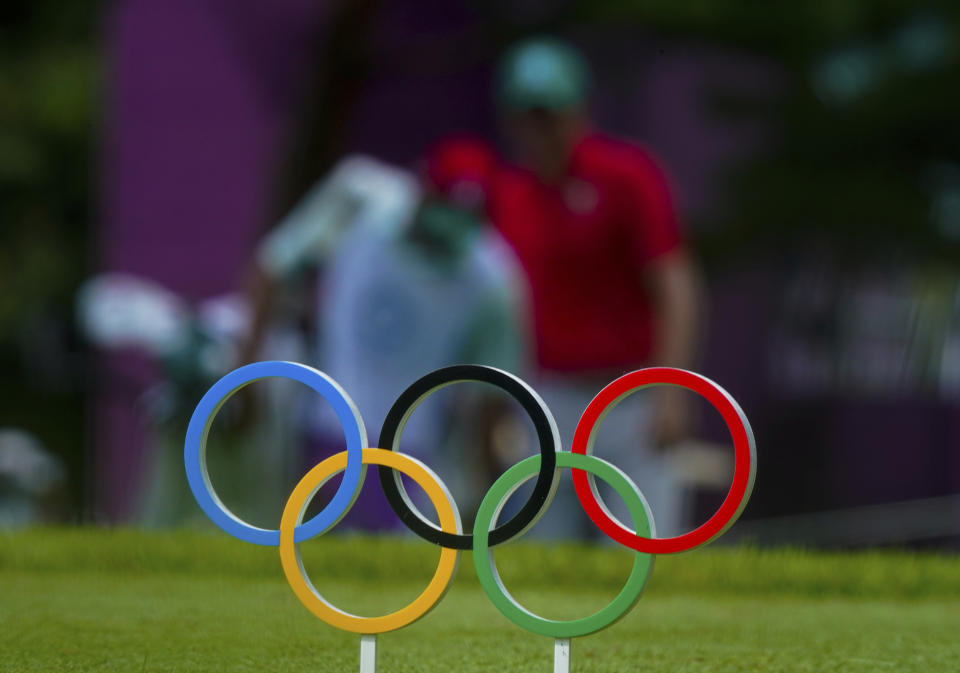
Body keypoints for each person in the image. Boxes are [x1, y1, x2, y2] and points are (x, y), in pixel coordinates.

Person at [245, 137, 529, 529]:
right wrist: (244, 376)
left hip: (411, 450)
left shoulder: (493, 280)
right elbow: (273, 266)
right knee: (304, 548)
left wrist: (487, 487)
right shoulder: (358, 198)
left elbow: (492, 391)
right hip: (324, 422)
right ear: (423, 188)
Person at [490, 38, 702, 538]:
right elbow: (498, 310)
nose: (541, 129)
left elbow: (675, 284)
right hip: (546, 399)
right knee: (541, 554)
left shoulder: (627, 175)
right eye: (529, 115)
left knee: (643, 547)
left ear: (578, 109)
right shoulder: (508, 193)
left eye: (551, 113)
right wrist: (497, 405)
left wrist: (673, 388)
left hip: (631, 395)